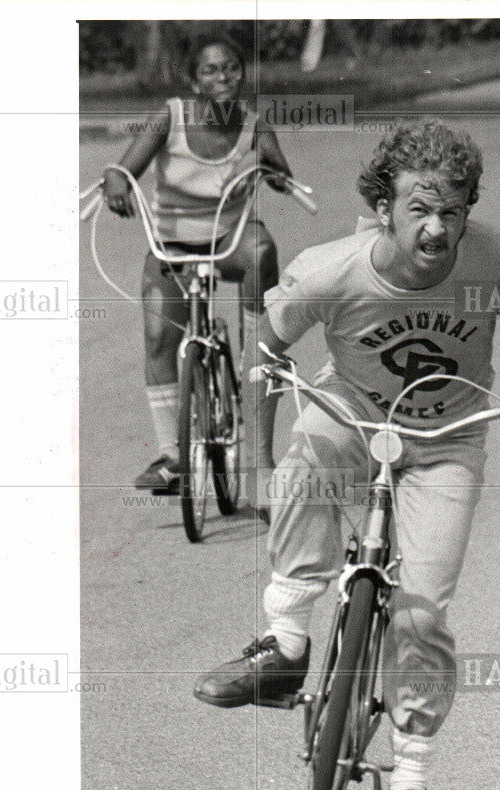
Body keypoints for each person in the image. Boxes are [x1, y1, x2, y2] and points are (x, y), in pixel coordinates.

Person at [194, 120, 500, 790]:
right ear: (383, 206)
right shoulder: (330, 270)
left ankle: (410, 789)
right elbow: (267, 350)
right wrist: (258, 462)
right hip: (352, 419)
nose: (437, 228)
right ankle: (286, 644)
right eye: (419, 210)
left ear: (470, 210)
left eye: (454, 212)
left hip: (447, 442)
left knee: (422, 615)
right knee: (306, 467)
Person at [103, 32, 293, 493]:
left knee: (262, 250)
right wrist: (117, 183)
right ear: (193, 80)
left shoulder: (254, 125)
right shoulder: (170, 116)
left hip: (228, 241)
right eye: (210, 70)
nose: (223, 77)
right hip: (172, 245)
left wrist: (272, 166)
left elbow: (285, 181)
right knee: (156, 338)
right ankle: (173, 456)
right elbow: (122, 168)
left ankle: (254, 356)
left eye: (231, 67)